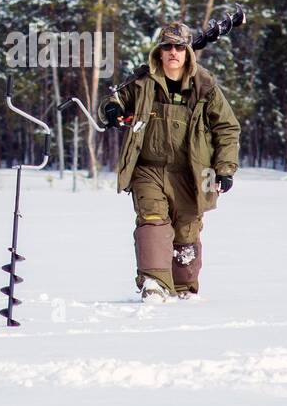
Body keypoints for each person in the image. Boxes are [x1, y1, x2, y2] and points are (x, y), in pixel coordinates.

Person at [103, 22, 240, 301]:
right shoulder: (141, 83)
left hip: (192, 173)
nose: (173, 52)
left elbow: (227, 128)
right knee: (152, 221)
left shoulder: (206, 87)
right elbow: (115, 100)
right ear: (159, 52)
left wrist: (224, 170)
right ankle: (153, 283)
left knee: (186, 232)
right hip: (148, 170)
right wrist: (112, 109)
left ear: (188, 53)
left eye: (179, 47)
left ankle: (183, 289)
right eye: (167, 47)